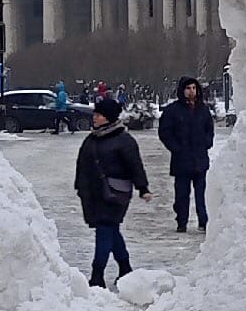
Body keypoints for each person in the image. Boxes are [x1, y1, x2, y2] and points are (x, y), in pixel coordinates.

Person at [72, 98, 150, 287]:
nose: (95, 118)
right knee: (111, 231)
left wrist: (143, 188)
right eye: (95, 114)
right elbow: (82, 164)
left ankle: (97, 276)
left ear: (108, 117)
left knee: (104, 230)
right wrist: (80, 187)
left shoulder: (124, 141)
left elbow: (135, 166)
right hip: (94, 194)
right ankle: (125, 268)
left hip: (115, 194)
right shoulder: (92, 139)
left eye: (98, 115)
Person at [159, 76, 215, 233]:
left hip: (200, 159)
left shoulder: (203, 110)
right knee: (182, 195)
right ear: (182, 90)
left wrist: (207, 142)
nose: (192, 91)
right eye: (188, 88)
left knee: (201, 194)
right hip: (181, 161)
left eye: (194, 88)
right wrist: (176, 148)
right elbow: (165, 132)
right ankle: (181, 222)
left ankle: (203, 221)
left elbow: (209, 129)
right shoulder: (173, 111)